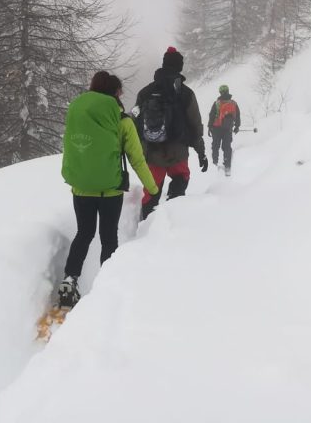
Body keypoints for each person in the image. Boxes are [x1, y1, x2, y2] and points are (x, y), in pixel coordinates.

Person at [57, 71, 159, 307]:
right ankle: (105, 287)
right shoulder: (121, 120)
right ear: (115, 92)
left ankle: (69, 280)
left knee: (84, 234)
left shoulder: (76, 111)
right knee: (108, 236)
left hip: (81, 188)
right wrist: (152, 188)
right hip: (109, 190)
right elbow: (137, 158)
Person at [135, 47, 207, 220]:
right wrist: (201, 151)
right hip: (178, 151)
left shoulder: (145, 92)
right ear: (179, 67)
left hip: (152, 152)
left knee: (151, 192)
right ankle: (173, 221)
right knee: (180, 181)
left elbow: (136, 124)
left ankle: (146, 228)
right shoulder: (186, 93)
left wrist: (139, 151)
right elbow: (195, 125)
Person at [208, 84, 241, 177]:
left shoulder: (217, 103)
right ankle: (227, 167)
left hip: (216, 128)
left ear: (220, 92)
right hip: (228, 129)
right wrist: (237, 126)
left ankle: (214, 164)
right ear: (228, 91)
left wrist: (209, 127)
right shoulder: (234, 103)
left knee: (215, 146)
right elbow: (238, 115)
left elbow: (211, 115)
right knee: (227, 147)